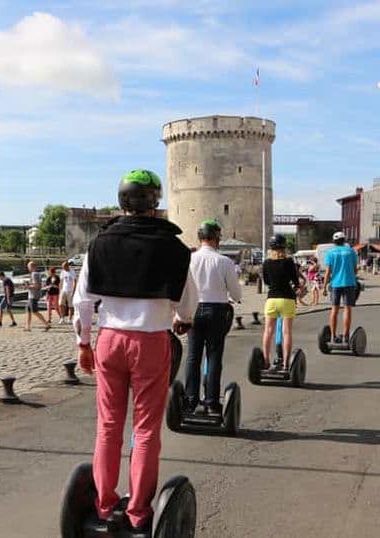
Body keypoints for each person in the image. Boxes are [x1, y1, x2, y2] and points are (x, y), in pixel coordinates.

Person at [73, 169, 197, 536]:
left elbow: (82, 302)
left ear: (121, 201)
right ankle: (139, 513)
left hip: (110, 339)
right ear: (154, 201)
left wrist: (83, 343)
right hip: (150, 341)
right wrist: (183, 320)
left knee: (108, 426)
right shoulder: (174, 248)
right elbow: (187, 303)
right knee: (145, 430)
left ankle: (105, 504)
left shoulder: (99, 244)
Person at [184, 219, 242, 416]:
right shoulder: (224, 261)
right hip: (217, 310)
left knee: (193, 356)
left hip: (193, 310)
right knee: (214, 355)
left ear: (200, 238)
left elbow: (182, 289)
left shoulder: (189, 260)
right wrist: (232, 297)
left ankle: (190, 400)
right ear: (217, 238)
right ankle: (211, 401)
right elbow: (236, 294)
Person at [261, 234, 300, 371]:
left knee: (268, 331)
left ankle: (265, 361)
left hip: (271, 299)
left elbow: (266, 281)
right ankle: (286, 365)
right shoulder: (289, 262)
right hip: (287, 299)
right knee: (286, 332)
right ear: (284, 246)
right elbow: (295, 281)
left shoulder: (266, 263)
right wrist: (297, 287)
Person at [323, 231, 359, 343]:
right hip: (349, 283)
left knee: (334, 309)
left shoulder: (331, 253)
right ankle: (345, 336)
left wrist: (324, 287)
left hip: (335, 284)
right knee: (347, 309)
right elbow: (355, 269)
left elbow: (328, 272)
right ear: (344, 240)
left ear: (334, 241)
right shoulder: (351, 251)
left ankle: (333, 336)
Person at [24, 260, 50, 332]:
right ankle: (27, 326)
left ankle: (46, 324)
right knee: (28, 310)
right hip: (32, 295)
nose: (28, 268)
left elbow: (37, 286)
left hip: (33, 295)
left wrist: (28, 286)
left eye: (28, 267)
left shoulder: (34, 274)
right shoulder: (37, 274)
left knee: (34, 311)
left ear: (31, 267)